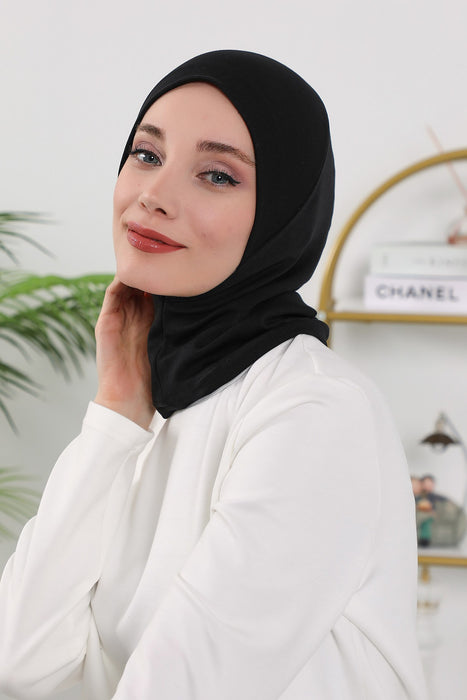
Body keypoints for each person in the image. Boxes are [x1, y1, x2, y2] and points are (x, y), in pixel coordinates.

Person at [0, 50, 427, 699]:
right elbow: (19, 659)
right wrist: (114, 415)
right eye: (147, 154)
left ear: (282, 213)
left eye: (217, 175)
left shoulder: (315, 409)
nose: (153, 195)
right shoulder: (156, 405)